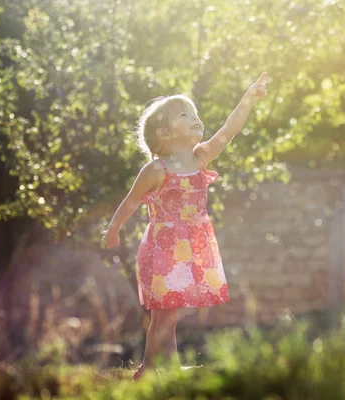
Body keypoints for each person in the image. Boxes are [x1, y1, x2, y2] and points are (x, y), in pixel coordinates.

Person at [103, 72, 267, 380]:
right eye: (184, 114)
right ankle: (149, 368)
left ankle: (164, 366)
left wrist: (248, 100)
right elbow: (130, 201)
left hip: (191, 246)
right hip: (163, 249)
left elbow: (227, 132)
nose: (195, 117)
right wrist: (114, 229)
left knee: (170, 314)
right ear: (164, 133)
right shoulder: (155, 170)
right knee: (163, 315)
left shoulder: (201, 157)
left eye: (194, 113)